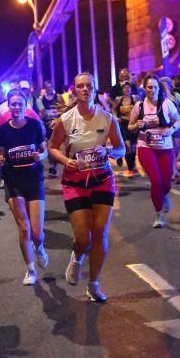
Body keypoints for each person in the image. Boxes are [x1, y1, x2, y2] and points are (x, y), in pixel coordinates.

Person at [48, 72, 125, 303]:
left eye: (89, 86)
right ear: (74, 90)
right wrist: (66, 160)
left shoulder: (107, 118)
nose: (85, 89)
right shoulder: (66, 120)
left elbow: (121, 148)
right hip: (75, 183)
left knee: (100, 232)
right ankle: (77, 256)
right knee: (83, 238)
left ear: (94, 88)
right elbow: (52, 147)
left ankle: (93, 284)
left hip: (102, 179)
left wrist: (109, 151)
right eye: (80, 86)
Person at [0, 91, 50, 285]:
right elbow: (1, 156)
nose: (16, 107)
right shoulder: (3, 130)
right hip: (13, 180)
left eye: (19, 104)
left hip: (34, 179)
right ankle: (31, 270)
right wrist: (0, 161)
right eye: (13, 104)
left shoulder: (34, 125)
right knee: (24, 228)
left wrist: (40, 157)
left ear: (25, 106)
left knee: (37, 234)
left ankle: (39, 247)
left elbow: (44, 151)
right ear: (8, 106)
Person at [129, 75, 180, 228]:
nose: (152, 90)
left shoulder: (167, 104)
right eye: (149, 87)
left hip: (165, 148)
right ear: (144, 88)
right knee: (156, 180)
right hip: (146, 147)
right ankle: (159, 214)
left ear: (159, 89)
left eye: (155, 87)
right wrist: (137, 125)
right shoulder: (139, 106)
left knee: (166, 182)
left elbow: (179, 120)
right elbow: (130, 127)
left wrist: (170, 130)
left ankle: (164, 195)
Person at [111, 82, 138, 177]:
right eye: (125, 88)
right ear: (122, 89)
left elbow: (140, 109)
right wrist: (116, 117)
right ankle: (130, 169)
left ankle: (132, 165)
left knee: (133, 148)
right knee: (128, 146)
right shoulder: (118, 99)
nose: (127, 89)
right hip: (123, 125)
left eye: (128, 88)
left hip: (133, 125)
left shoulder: (135, 98)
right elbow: (113, 109)